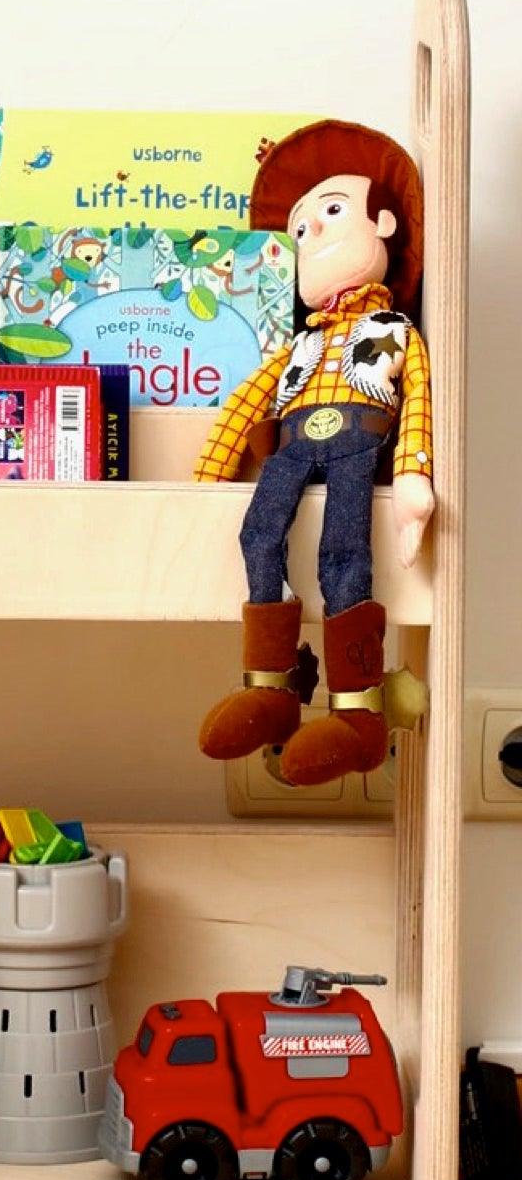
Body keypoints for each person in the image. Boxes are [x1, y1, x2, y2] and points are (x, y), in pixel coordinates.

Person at [193, 120, 433, 787]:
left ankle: (356, 709)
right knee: (259, 531)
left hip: (360, 444)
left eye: (331, 213)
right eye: (301, 228)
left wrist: (412, 479)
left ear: (384, 224)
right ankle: (271, 685)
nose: (315, 234)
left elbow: (416, 402)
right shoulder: (296, 346)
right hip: (293, 449)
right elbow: (245, 404)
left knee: (344, 554)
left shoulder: (392, 330)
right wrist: (206, 478)